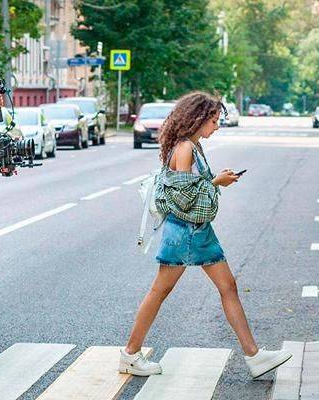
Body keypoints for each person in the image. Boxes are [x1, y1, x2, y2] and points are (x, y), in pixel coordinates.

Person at [119, 91, 292, 379]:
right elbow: (186, 197)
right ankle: (130, 353)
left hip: (196, 231)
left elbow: (189, 190)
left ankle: (254, 356)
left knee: (227, 286)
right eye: (213, 120)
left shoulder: (193, 146)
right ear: (196, 119)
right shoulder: (185, 148)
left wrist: (216, 181)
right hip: (186, 232)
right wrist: (217, 181)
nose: (216, 126)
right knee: (161, 290)